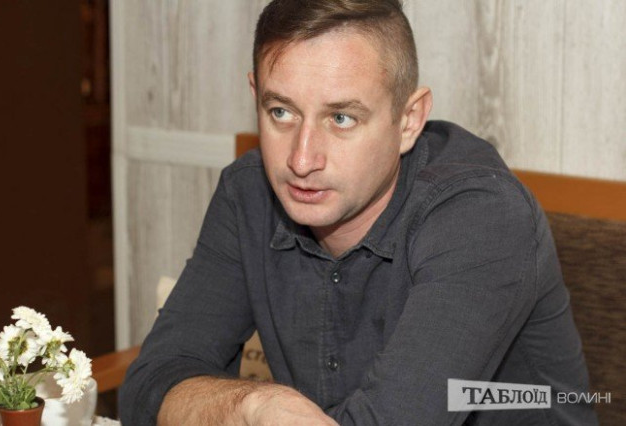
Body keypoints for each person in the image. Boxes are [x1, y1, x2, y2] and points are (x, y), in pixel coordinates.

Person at [120, 1, 597, 425]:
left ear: (408, 120)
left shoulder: (481, 215)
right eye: (281, 111)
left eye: (341, 118)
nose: (301, 160)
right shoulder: (248, 194)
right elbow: (149, 384)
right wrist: (252, 405)